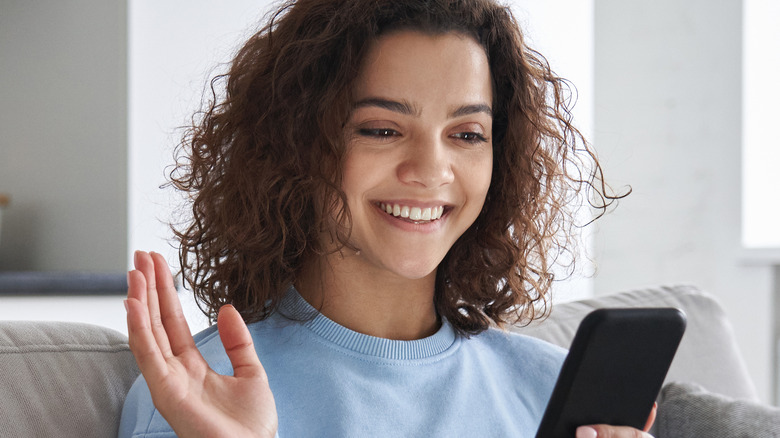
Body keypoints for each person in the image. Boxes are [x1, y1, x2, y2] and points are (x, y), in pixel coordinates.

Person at [119, 0, 655, 436]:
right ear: (296, 145)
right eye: (381, 129)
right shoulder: (199, 397)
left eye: (467, 135)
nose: (430, 170)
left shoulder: (554, 391)